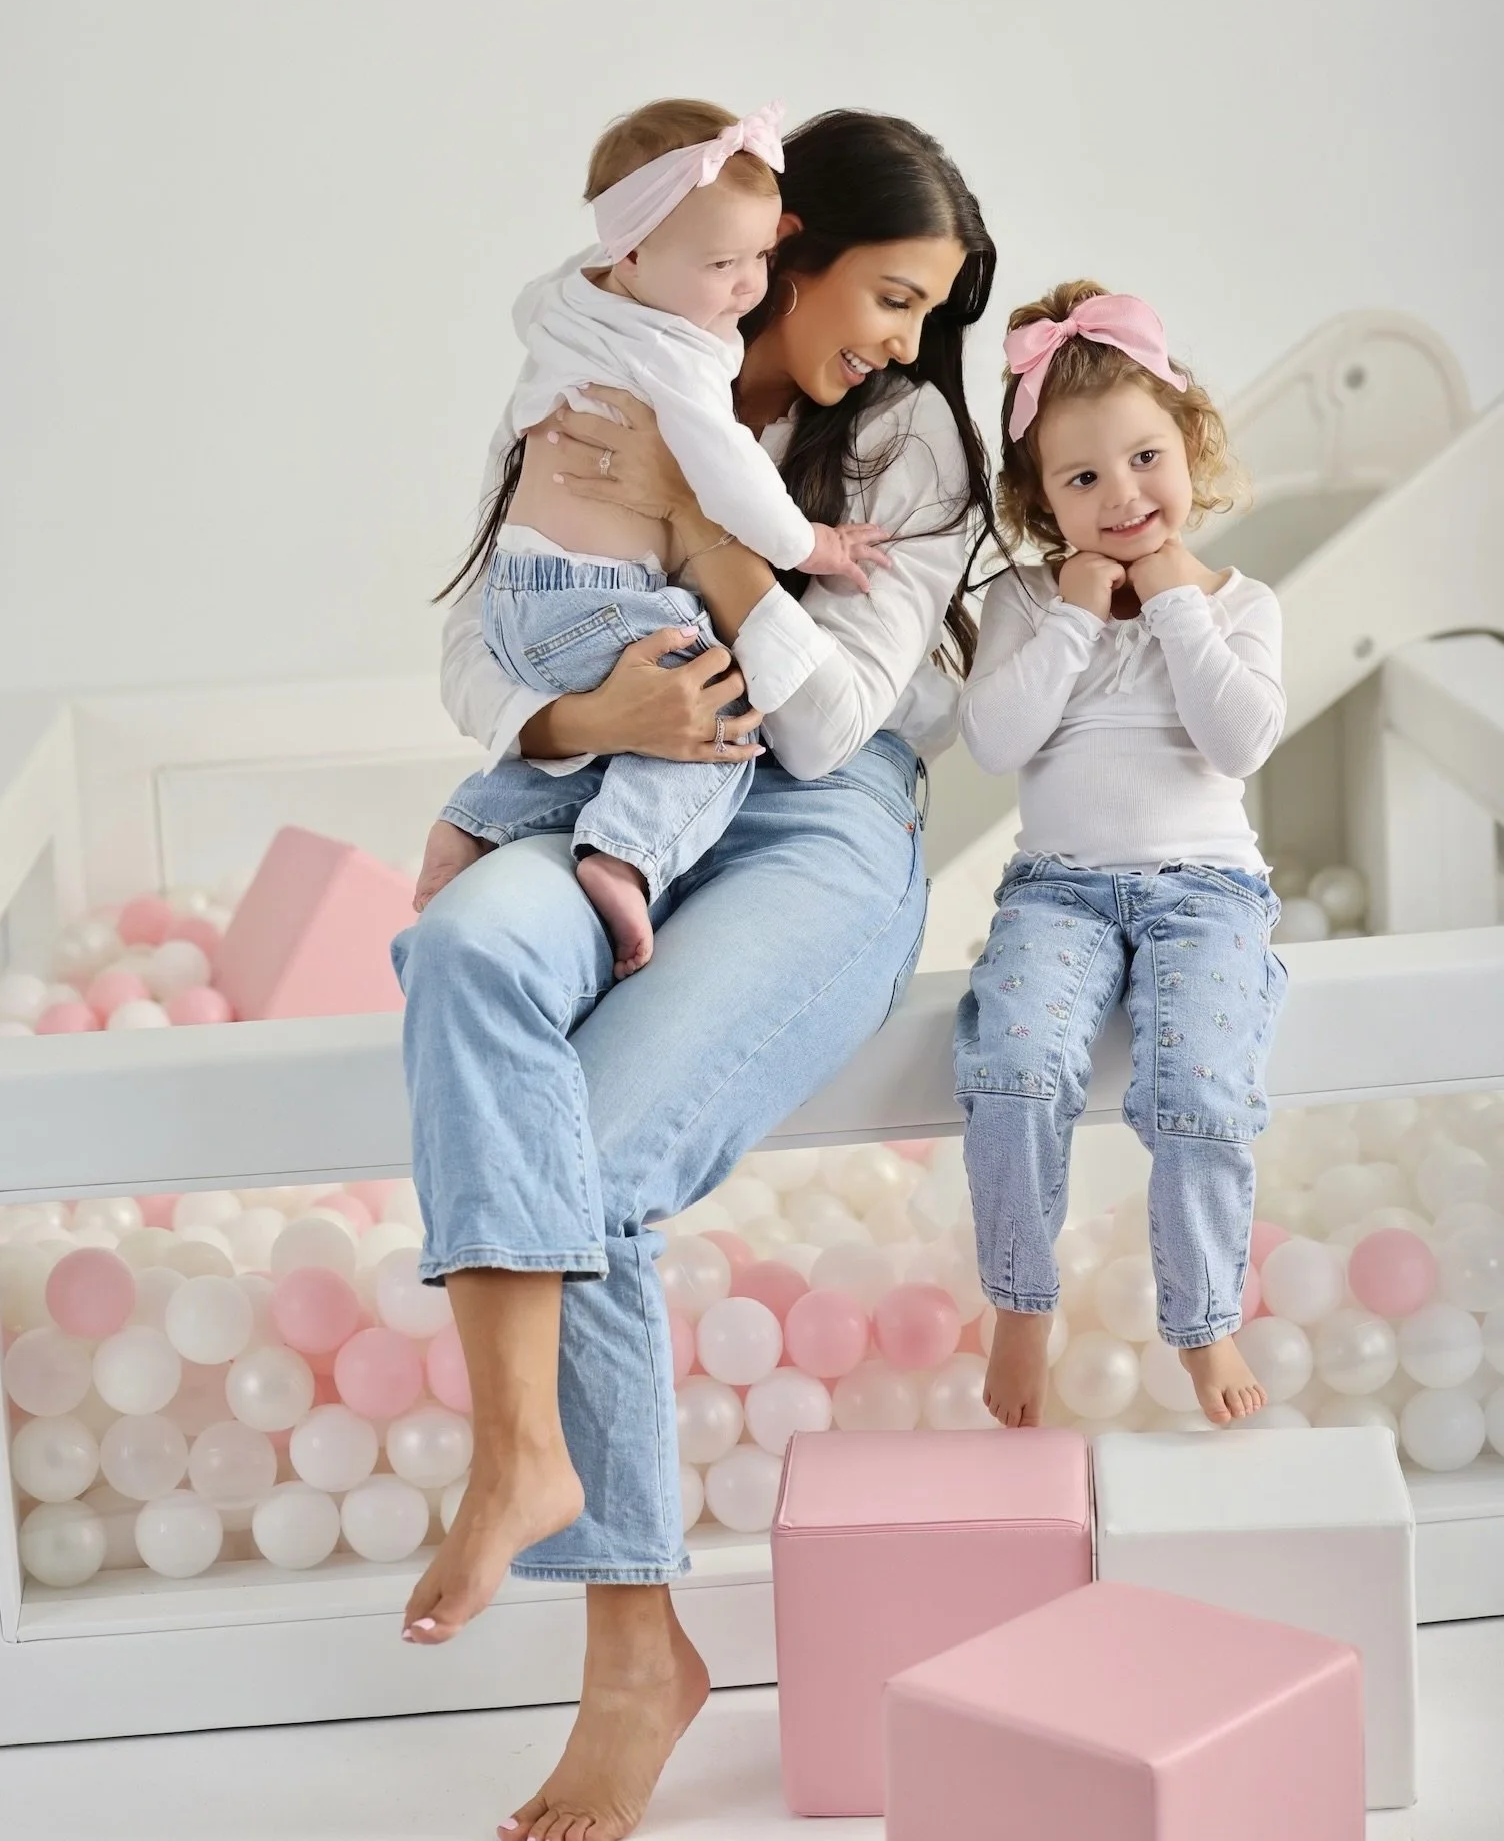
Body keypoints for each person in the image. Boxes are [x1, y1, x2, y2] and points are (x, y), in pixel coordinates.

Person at [392, 107, 998, 1841]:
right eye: (885, 293)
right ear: (779, 250)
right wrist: (591, 716)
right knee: (456, 946)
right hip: (608, 785)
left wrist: (696, 527)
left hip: (809, 827)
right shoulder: (612, 346)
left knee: (592, 1146)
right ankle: (526, 1455)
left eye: (924, 312)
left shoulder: (909, 444)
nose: (898, 337)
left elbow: (824, 717)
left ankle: (622, 1654)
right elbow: (474, 629)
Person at [414, 96, 890, 979]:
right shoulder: (675, 352)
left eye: (763, 256)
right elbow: (735, 475)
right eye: (722, 264)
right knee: (724, 717)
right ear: (630, 254)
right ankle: (624, 857)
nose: (749, 288)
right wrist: (813, 548)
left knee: (638, 725)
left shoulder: (569, 308)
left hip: (522, 601)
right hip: (594, 601)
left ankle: (481, 816)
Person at [955, 281, 1287, 1432]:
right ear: (1041, 501)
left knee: (1198, 1093)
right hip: (1060, 894)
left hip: (1208, 895)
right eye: (1082, 478)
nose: (1123, 496)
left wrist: (1173, 601)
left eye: (1146, 459)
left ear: (1190, 447)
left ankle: (1203, 1319)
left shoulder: (1241, 606)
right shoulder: (1027, 605)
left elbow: (1239, 740)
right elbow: (995, 742)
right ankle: (1020, 1301)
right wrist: (1074, 618)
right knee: (1017, 1072)